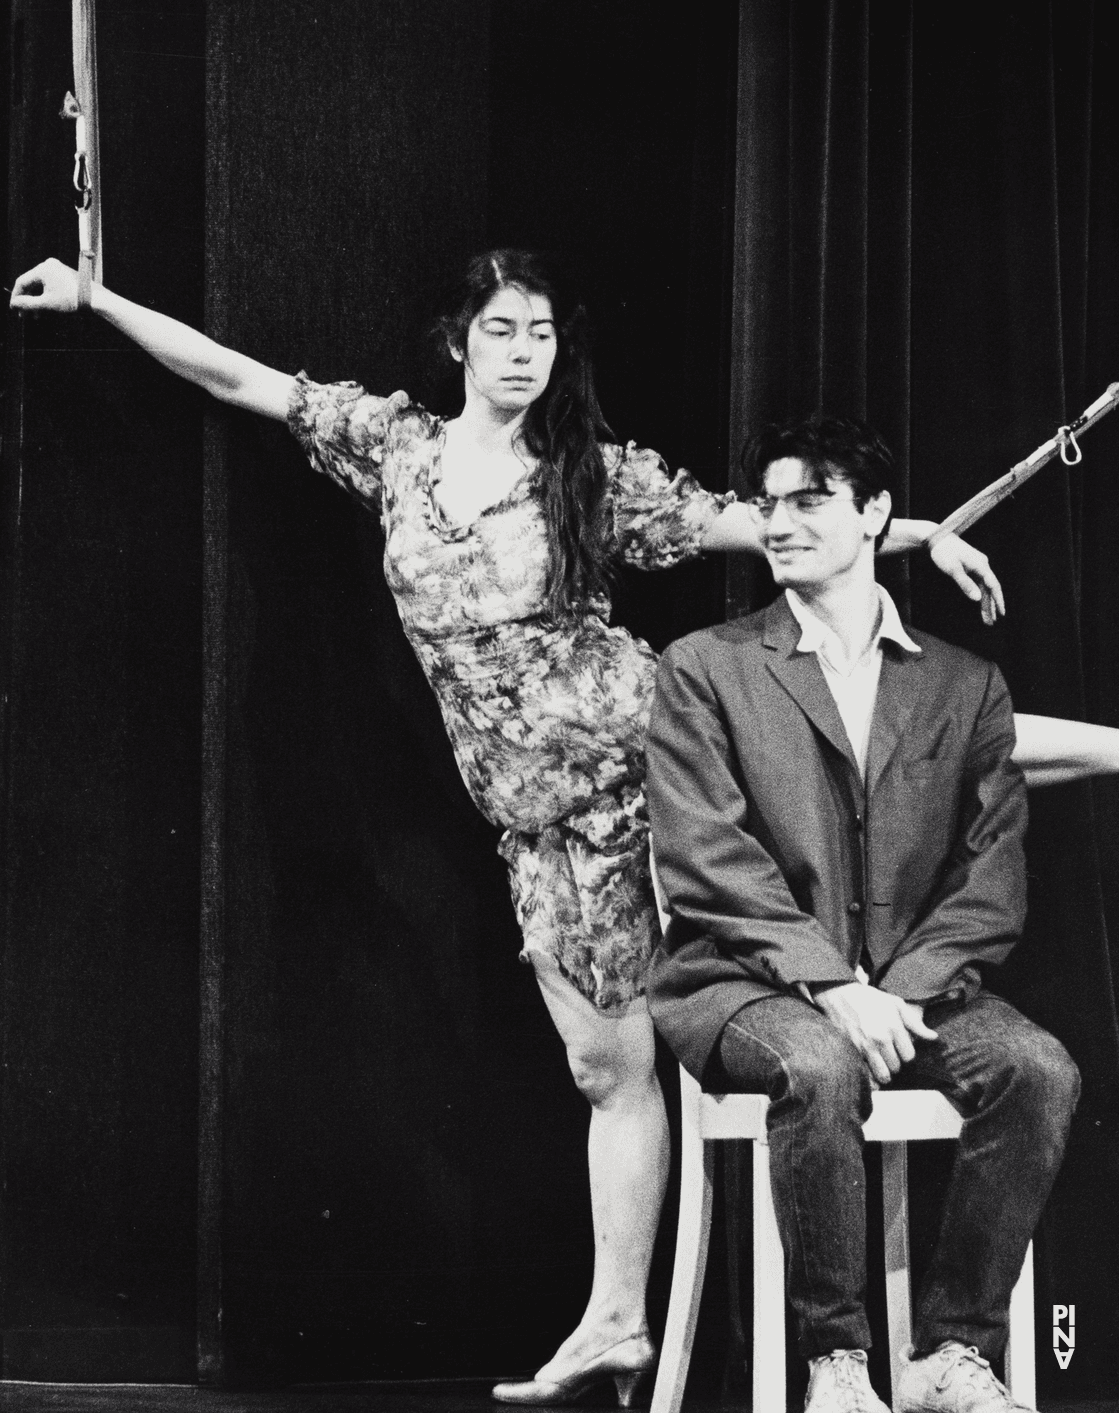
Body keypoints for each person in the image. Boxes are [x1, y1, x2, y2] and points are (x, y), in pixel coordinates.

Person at [8, 253, 1113, 1408]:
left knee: (924, 746)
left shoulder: (586, 476)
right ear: (459, 345)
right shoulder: (395, 450)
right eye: (502, 330)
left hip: (651, 754)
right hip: (540, 820)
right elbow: (245, 384)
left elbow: (762, 525)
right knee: (605, 1067)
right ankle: (618, 1322)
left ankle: (1110, 746)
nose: (525, 351)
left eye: (541, 332)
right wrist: (97, 302)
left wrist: (918, 534)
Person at [645, 417, 1085, 1413]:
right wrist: (835, 988)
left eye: (811, 499)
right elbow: (710, 862)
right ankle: (835, 1364)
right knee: (820, 1062)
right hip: (741, 985)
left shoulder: (966, 687)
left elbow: (990, 884)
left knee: (1036, 1068)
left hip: (907, 984)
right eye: (768, 503)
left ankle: (948, 1356)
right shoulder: (704, 668)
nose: (780, 521)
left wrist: (898, 992)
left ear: (877, 515)